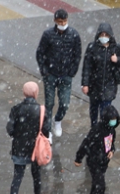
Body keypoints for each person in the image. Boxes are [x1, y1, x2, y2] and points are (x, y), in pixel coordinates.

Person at [36, 9, 81, 140]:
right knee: (49, 104)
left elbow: (77, 55)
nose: (63, 23)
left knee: (65, 103)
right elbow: (40, 53)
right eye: (60, 21)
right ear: (55, 21)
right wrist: (44, 71)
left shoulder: (73, 35)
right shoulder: (48, 35)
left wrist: (72, 72)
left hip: (66, 75)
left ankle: (58, 120)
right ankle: (48, 131)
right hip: (51, 75)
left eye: (65, 21)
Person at [5, 82, 48, 194]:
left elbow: (10, 129)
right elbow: (46, 131)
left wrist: (19, 135)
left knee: (17, 177)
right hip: (35, 149)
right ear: (36, 93)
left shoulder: (16, 109)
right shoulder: (42, 110)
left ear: (24, 93)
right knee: (37, 175)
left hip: (19, 148)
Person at [74, 105, 120, 194]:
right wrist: (79, 158)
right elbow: (86, 143)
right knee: (100, 187)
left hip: (103, 162)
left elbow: (111, 143)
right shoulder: (97, 130)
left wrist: (112, 151)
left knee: (96, 186)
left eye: (115, 119)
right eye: (112, 119)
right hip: (94, 161)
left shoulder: (112, 130)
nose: (113, 121)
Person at [81, 23, 120, 126]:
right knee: (93, 109)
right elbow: (87, 66)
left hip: (109, 85)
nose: (104, 37)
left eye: (106, 35)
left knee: (105, 110)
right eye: (102, 34)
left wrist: (116, 60)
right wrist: (85, 84)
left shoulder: (116, 47)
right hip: (94, 85)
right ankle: (93, 128)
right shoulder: (92, 47)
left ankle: (103, 129)